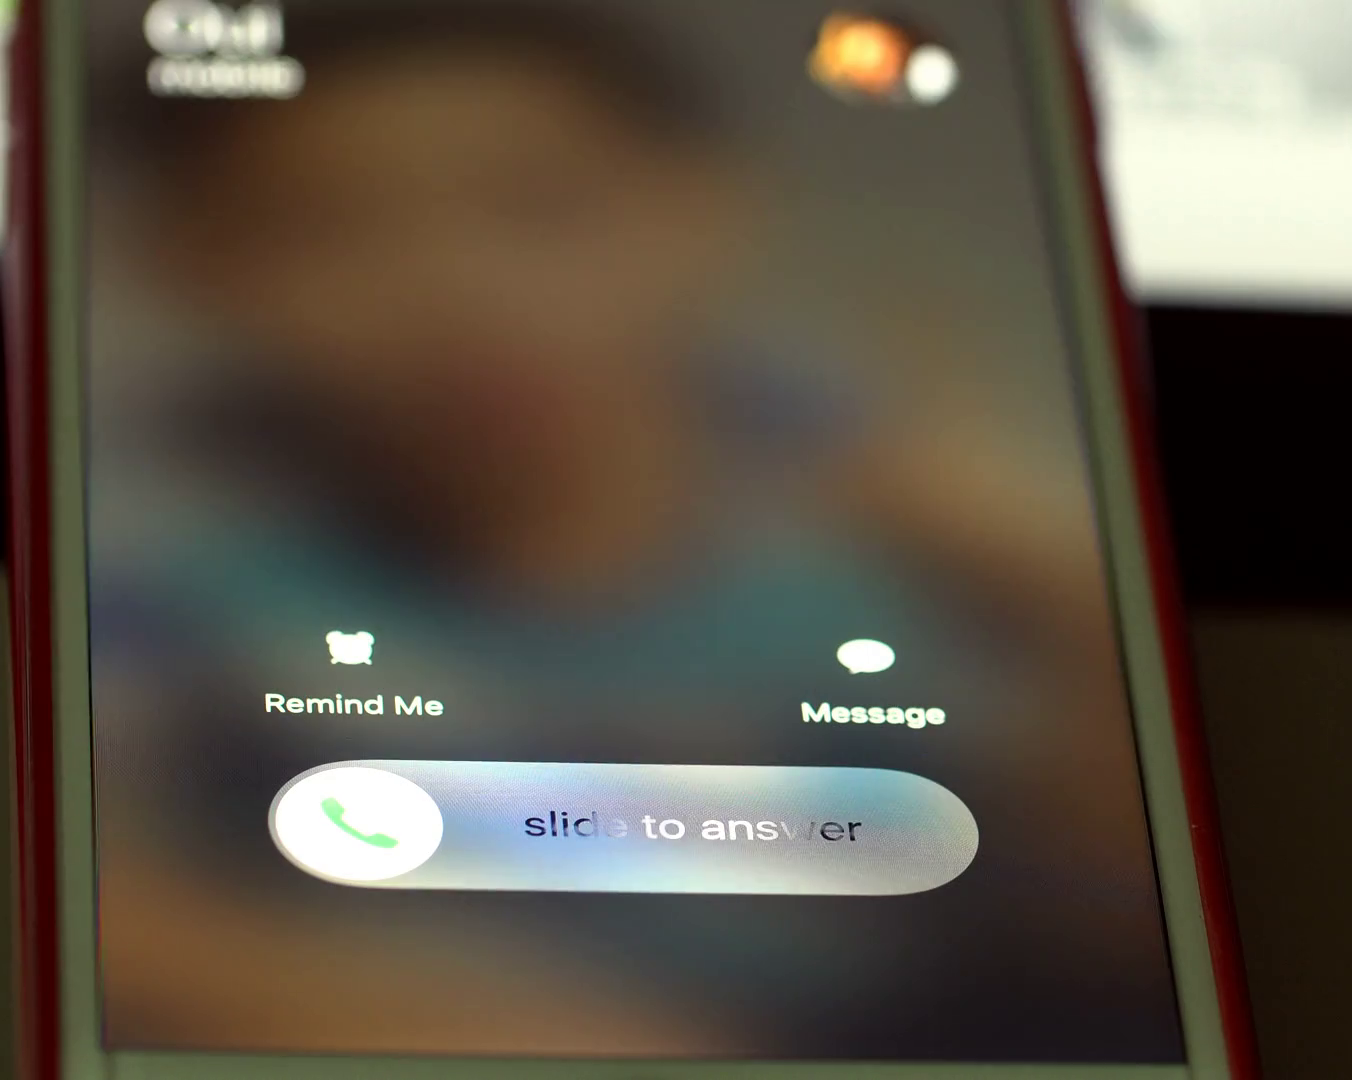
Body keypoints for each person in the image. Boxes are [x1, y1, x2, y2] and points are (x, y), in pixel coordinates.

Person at [87, 0, 1181, 1058]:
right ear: (194, 263)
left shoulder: (902, 492)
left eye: (539, 208)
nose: (459, 290)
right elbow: (95, 893)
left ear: (700, 204)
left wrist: (1074, 605)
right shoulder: (160, 535)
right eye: (326, 228)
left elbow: (1106, 898)